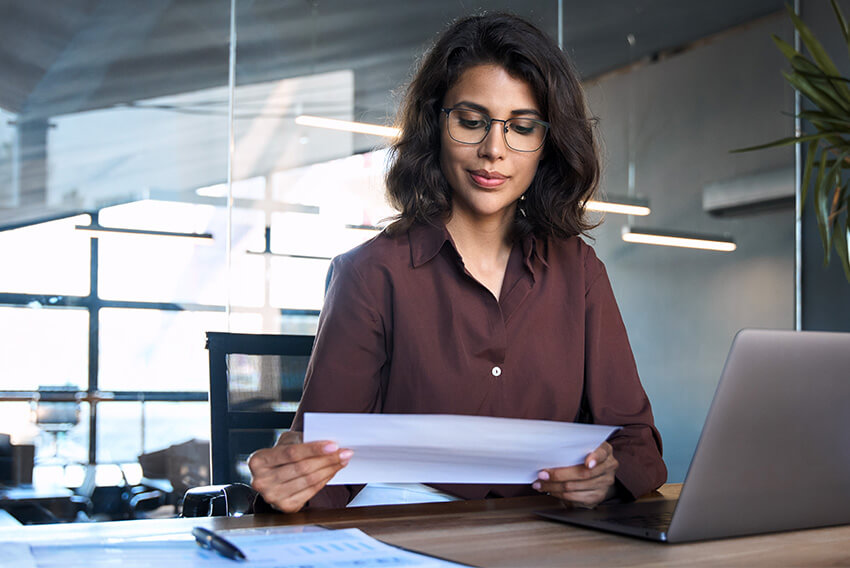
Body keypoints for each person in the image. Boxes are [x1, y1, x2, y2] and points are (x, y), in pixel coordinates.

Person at [249, 11, 667, 513]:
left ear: (546, 145)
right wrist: (289, 483)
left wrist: (607, 476)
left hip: (548, 537)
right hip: (408, 529)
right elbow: (321, 470)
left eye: (522, 127)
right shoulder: (370, 275)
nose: (494, 150)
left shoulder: (579, 273)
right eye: (471, 122)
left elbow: (637, 442)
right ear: (435, 125)